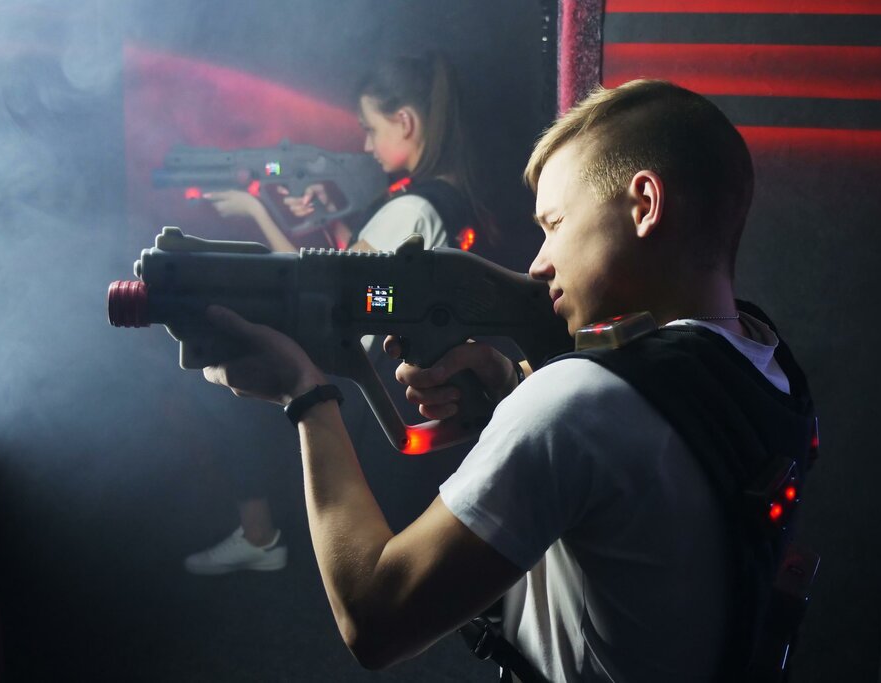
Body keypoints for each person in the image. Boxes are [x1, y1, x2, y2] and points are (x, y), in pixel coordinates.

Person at [197, 78, 816, 681]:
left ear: (645, 205)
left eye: (555, 223)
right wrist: (510, 383)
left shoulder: (581, 403)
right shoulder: (766, 360)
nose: (538, 262)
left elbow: (375, 619)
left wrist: (305, 395)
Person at [184, 52, 491, 576]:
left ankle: (261, 538)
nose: (367, 145)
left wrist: (257, 211)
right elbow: (368, 285)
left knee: (228, 393)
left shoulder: (410, 208)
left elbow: (322, 298)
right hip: (394, 384)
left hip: (369, 388)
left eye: (371, 129)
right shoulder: (442, 198)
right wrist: (326, 223)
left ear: (405, 122)